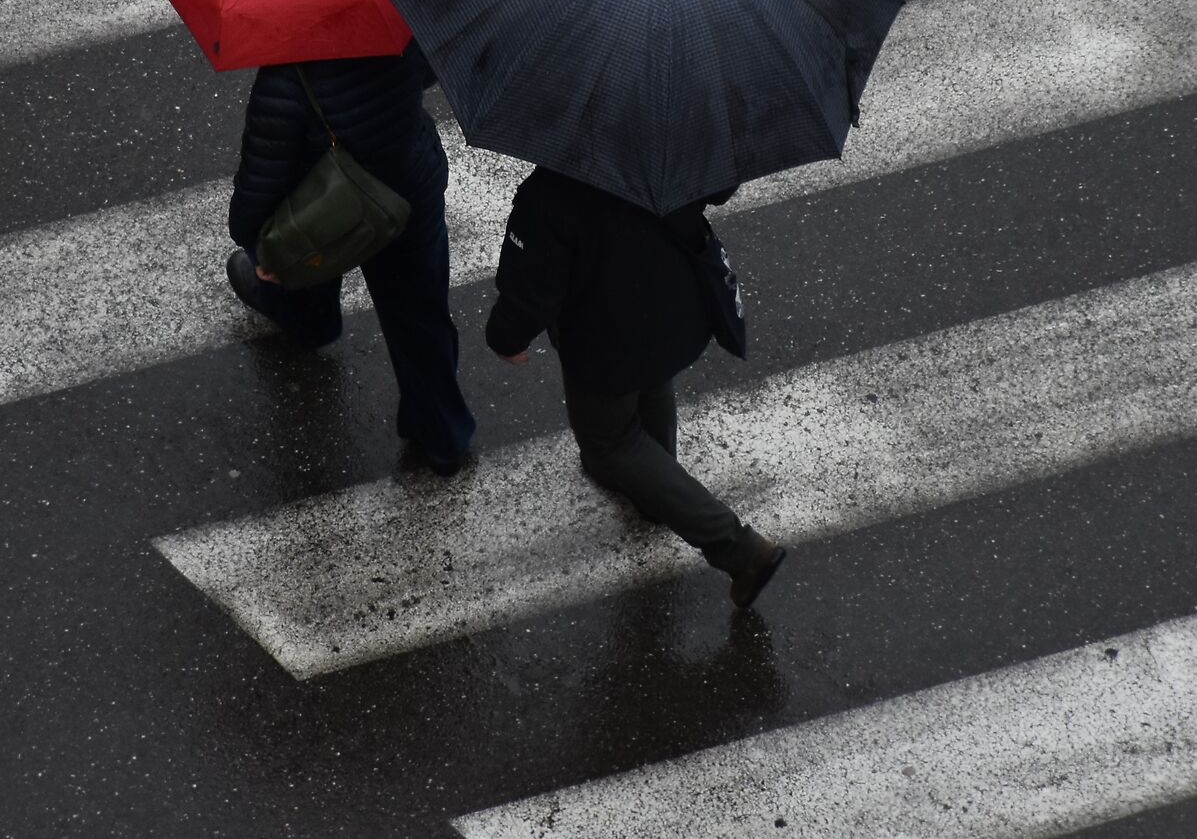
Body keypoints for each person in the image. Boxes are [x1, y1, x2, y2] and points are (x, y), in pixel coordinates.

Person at [485, 167, 788, 608]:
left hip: (606, 341)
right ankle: (655, 493)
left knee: (609, 443)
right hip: (675, 309)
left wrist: (505, 338)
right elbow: (720, 185)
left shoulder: (552, 190)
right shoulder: (670, 144)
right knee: (651, 382)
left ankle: (739, 549)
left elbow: (532, 284)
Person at [224, 41, 476, 475]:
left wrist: (254, 242)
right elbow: (430, 71)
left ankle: (310, 321)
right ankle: (442, 437)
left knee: (308, 258)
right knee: (419, 315)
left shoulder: (285, 80)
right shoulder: (398, 26)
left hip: (326, 205)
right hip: (407, 189)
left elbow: (261, 181)